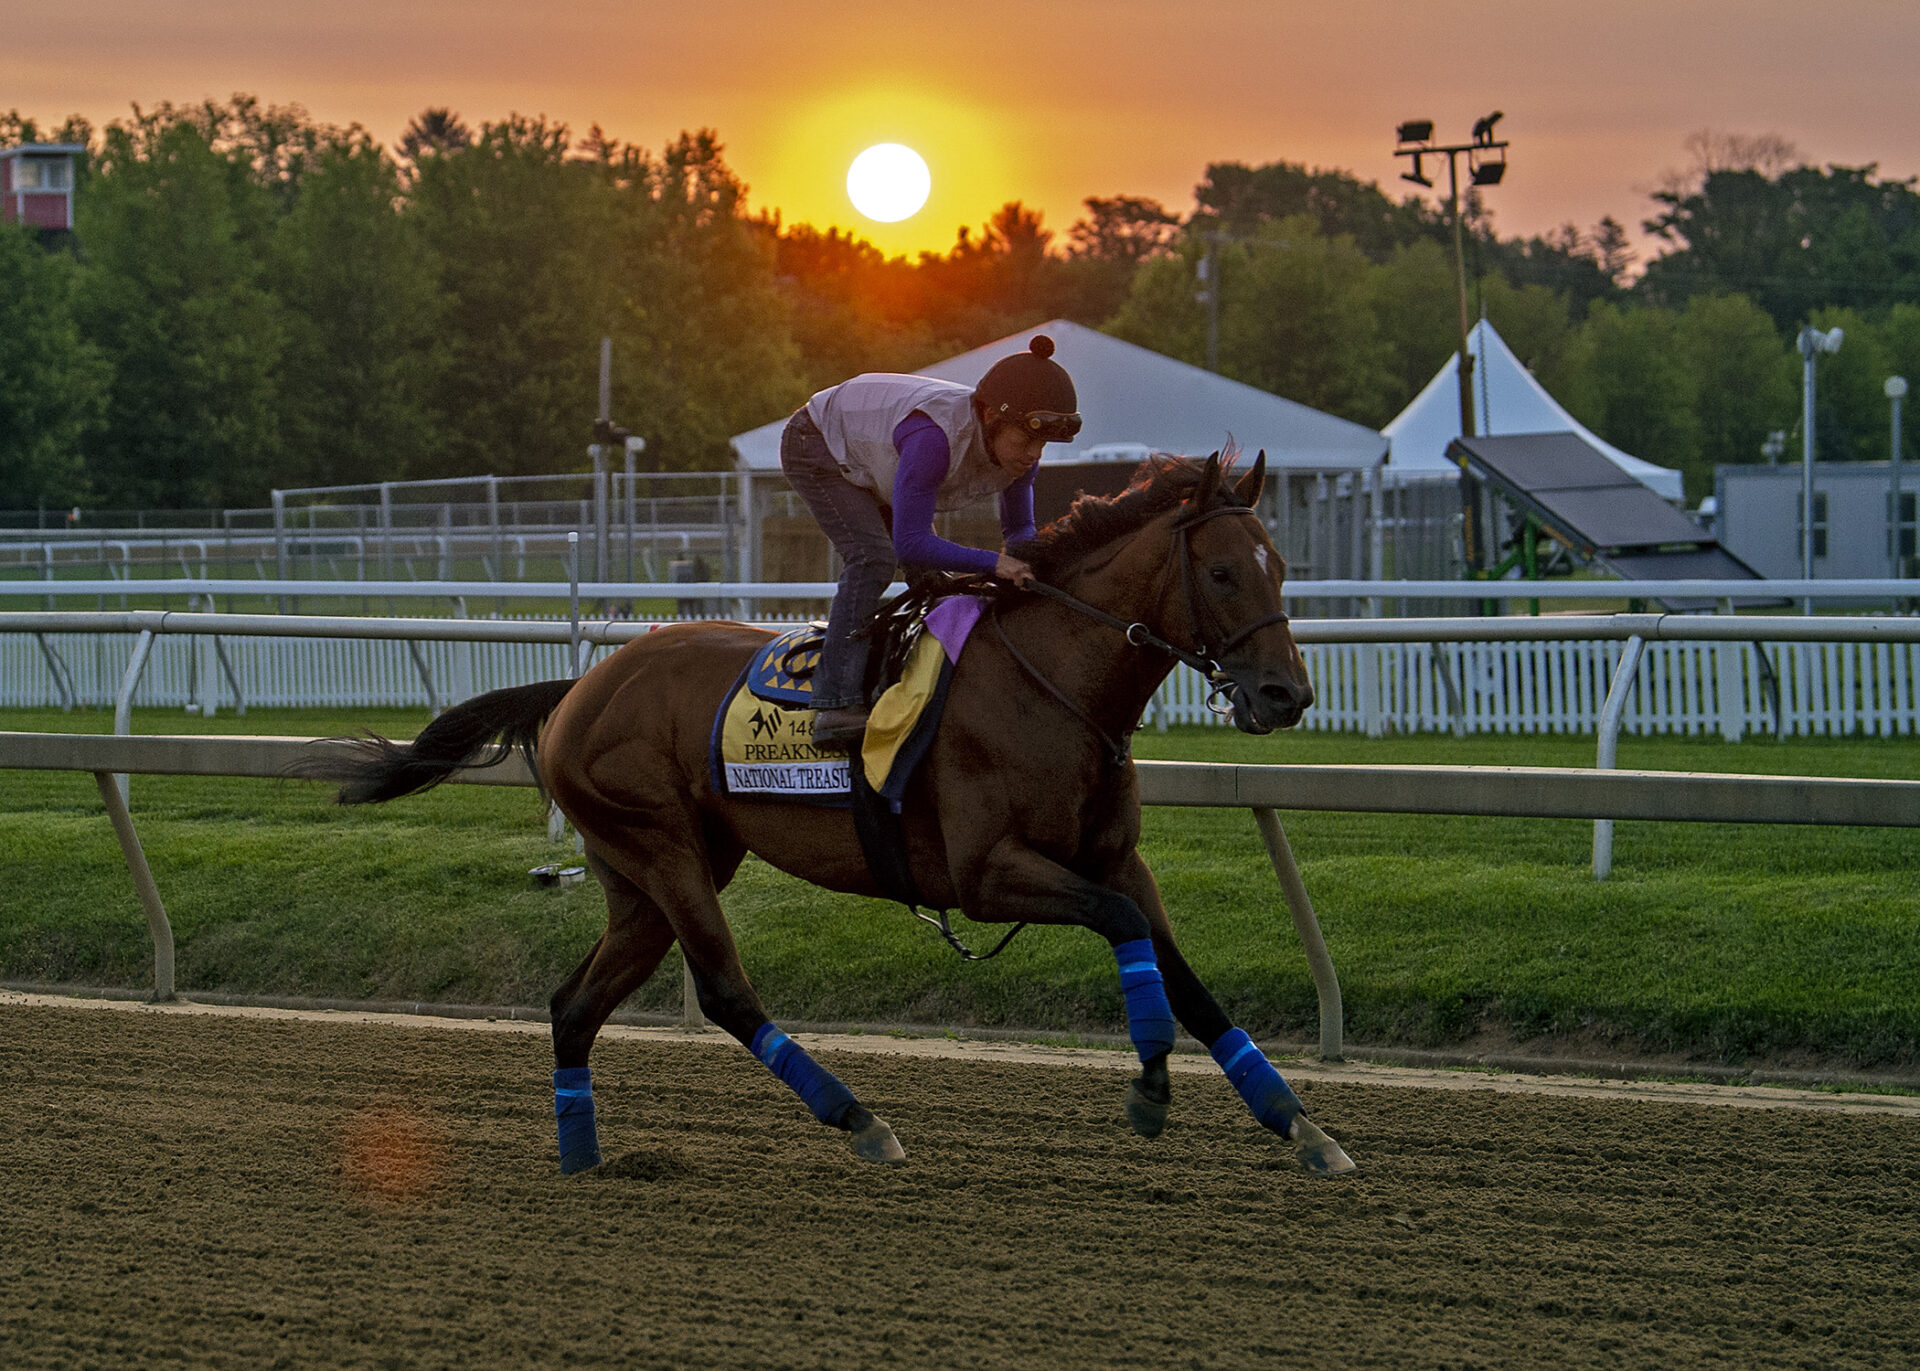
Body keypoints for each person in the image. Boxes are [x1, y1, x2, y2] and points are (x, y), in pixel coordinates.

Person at [779, 334, 1082, 752]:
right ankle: (834, 702)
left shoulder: (1020, 458)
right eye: (1026, 440)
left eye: (1042, 443)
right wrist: (995, 564)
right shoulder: (933, 441)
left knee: (933, 579)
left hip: (875, 451)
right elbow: (911, 544)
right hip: (817, 441)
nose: (1033, 453)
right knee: (873, 558)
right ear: (991, 416)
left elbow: (1020, 535)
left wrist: (1037, 566)